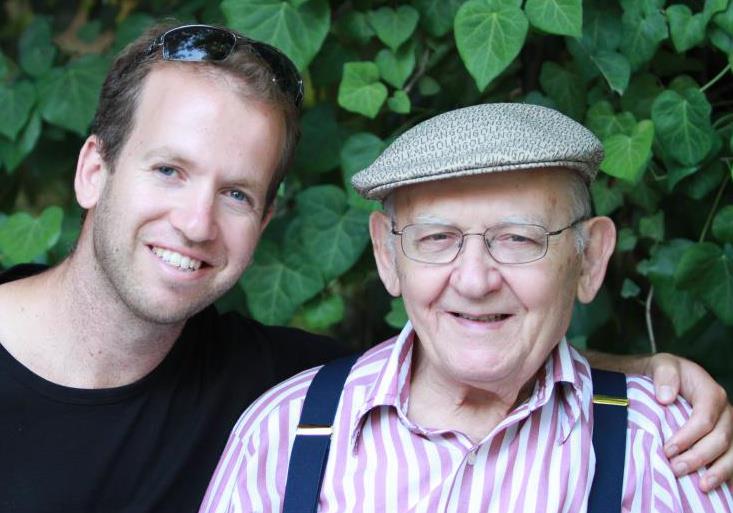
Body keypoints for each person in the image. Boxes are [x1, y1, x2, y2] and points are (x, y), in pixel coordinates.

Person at [0, 22, 728, 513]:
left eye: (237, 193)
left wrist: (643, 377)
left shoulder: (276, 391)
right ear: (92, 170)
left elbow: (463, 343)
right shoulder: (283, 425)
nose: (196, 222)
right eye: (168, 170)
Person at [200, 103, 733, 512]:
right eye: (436, 238)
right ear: (387, 255)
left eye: (519, 238)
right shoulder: (282, 433)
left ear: (589, 258)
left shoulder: (667, 444)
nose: (475, 281)